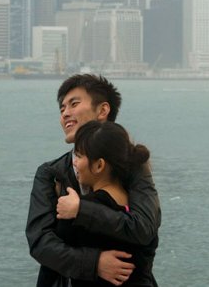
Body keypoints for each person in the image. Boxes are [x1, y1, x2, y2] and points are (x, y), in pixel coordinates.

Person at [26, 74, 161, 286]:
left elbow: (144, 228)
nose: (65, 114)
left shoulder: (133, 164)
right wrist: (95, 263)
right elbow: (40, 242)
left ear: (103, 110)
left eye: (74, 104)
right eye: (61, 109)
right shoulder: (50, 173)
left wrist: (81, 209)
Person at [55, 120, 156, 286]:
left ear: (99, 165)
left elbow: (55, 255)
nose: (74, 162)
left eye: (79, 156)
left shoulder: (78, 212)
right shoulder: (143, 211)